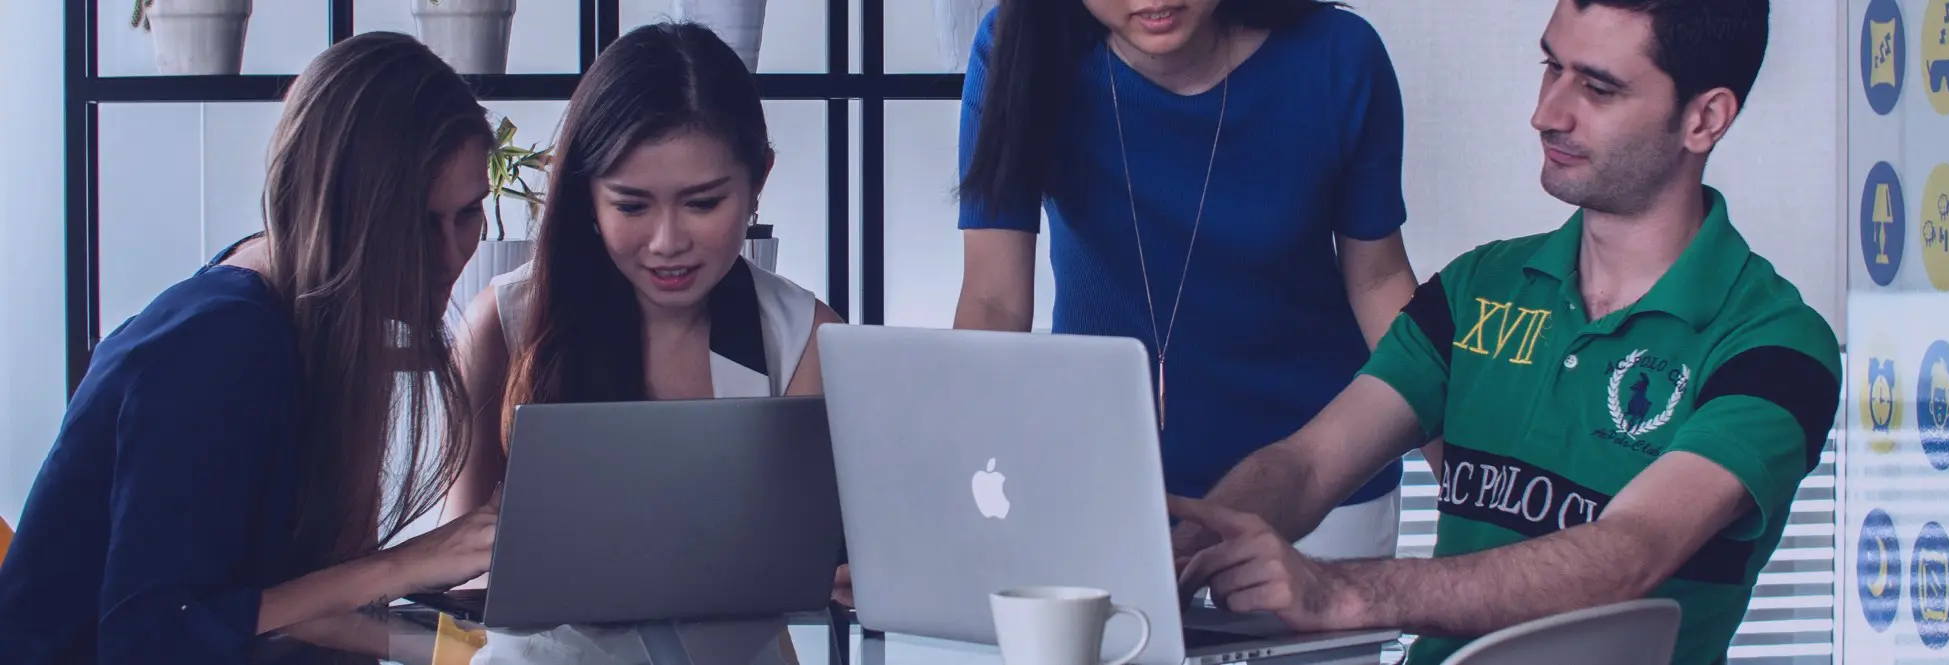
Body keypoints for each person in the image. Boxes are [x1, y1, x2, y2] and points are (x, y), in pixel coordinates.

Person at [1167, 2, 1839, 664]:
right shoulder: (1477, 287)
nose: (1547, 113)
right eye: (1552, 68)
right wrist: (1184, 550)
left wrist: (1339, 591)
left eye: (1598, 88)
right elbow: (1310, 463)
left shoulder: (1777, 348)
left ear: (1705, 118)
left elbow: (1629, 551)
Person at [0, 32, 502, 664]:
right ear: (342, 212)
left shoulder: (307, 307)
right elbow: (151, 638)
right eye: (420, 224)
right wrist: (405, 565)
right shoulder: (217, 345)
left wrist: (470, 651)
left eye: (468, 214)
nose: (453, 254)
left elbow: (275, 601)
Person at [952, 0, 1421, 560]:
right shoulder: (1017, 46)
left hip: (1320, 484)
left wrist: (1475, 481)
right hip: (1099, 482)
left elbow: (1378, 281)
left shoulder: (1338, 54)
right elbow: (994, 299)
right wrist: (948, 486)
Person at [442, 18, 838, 618]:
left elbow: (814, 570)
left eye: (703, 203)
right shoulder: (505, 323)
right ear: (586, 195)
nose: (667, 242)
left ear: (759, 179)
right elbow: (463, 584)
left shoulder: (805, 337)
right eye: (631, 206)